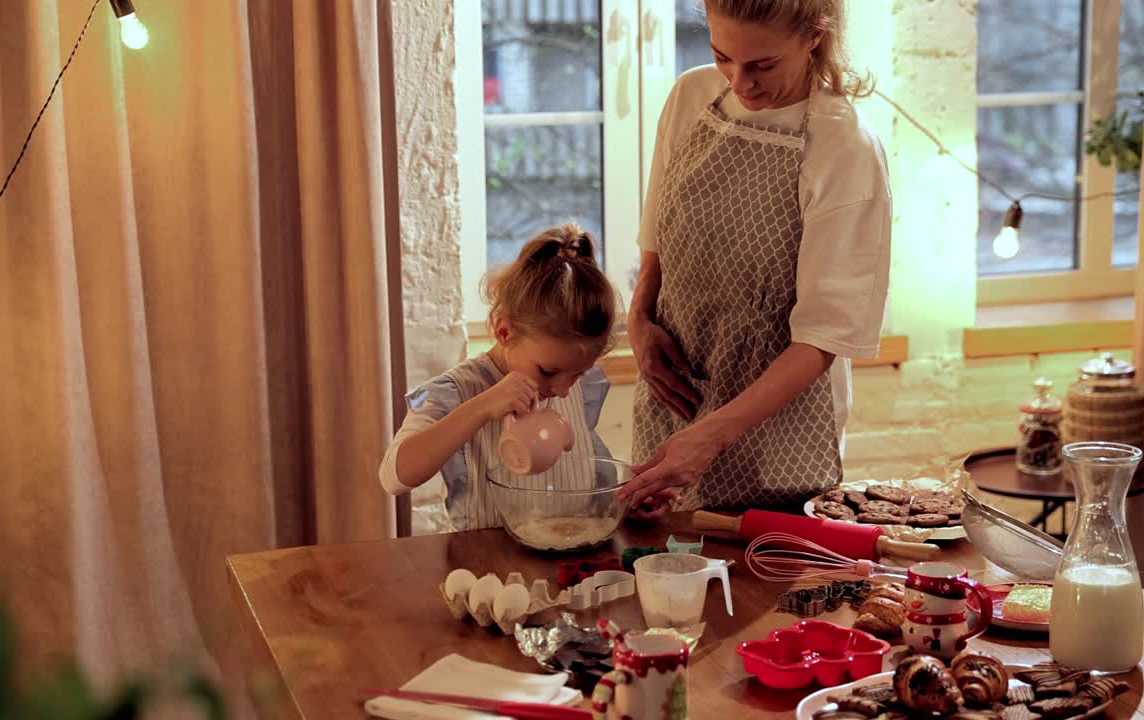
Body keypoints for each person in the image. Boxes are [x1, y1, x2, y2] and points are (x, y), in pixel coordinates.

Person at [620, 0, 892, 512]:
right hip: (674, 400)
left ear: (813, 36)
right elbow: (656, 237)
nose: (740, 83)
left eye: (762, 65)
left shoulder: (844, 146)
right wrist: (639, 322)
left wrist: (712, 435)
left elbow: (823, 337)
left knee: (756, 562)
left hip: (779, 432)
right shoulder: (692, 96)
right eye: (723, 56)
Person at [380, 224, 666, 531]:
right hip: (485, 557)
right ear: (504, 331)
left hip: (571, 551)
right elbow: (393, 478)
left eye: (579, 373)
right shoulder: (457, 391)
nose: (562, 390)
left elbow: (581, 488)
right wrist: (481, 407)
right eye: (548, 371)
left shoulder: (578, 388)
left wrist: (625, 505)